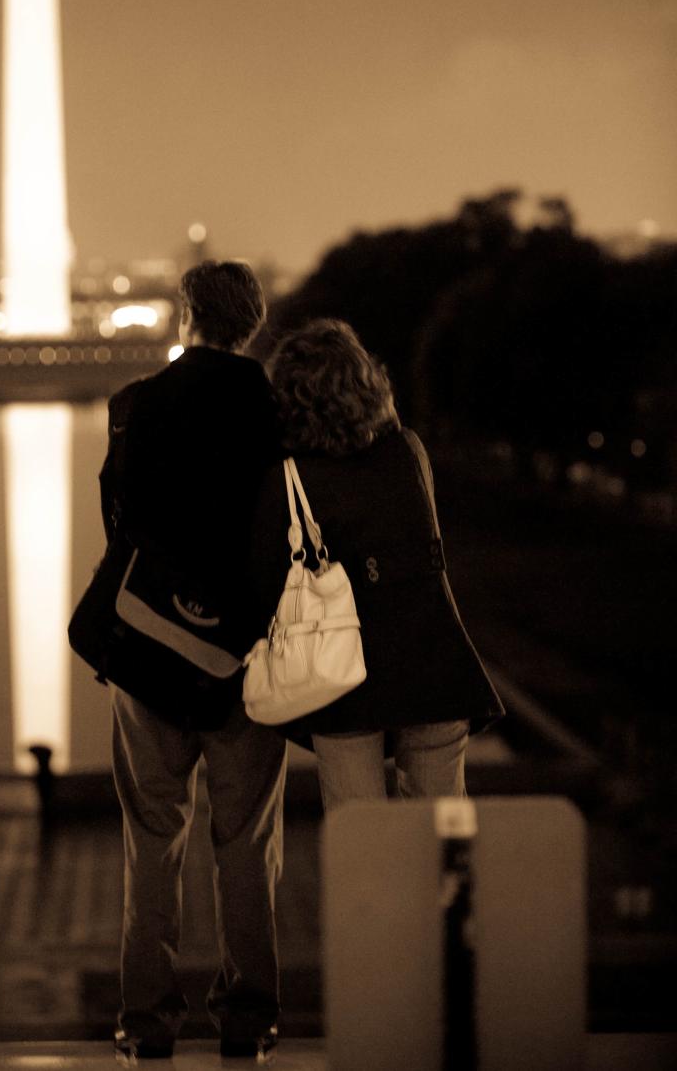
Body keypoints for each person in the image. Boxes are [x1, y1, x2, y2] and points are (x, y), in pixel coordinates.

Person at [100, 260, 288, 1063]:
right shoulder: (277, 409)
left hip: (149, 651)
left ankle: (147, 1023)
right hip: (245, 655)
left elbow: (120, 527)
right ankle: (247, 1019)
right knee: (246, 839)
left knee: (152, 836)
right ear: (253, 322)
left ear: (186, 314)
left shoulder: (136, 404)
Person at [252, 318, 504, 810]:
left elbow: (265, 577)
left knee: (361, 841)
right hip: (433, 664)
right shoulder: (408, 452)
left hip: (343, 683)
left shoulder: (289, 479)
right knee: (443, 832)